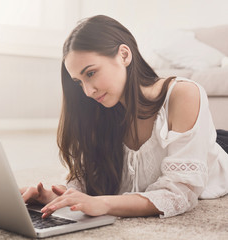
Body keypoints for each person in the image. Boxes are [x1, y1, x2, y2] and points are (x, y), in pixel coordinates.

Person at [20, 15, 228, 219]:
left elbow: (180, 194)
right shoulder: (101, 111)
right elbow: (91, 181)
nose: (88, 92)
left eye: (91, 73)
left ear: (124, 55)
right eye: (79, 82)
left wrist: (103, 204)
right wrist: (54, 197)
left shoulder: (182, 94)